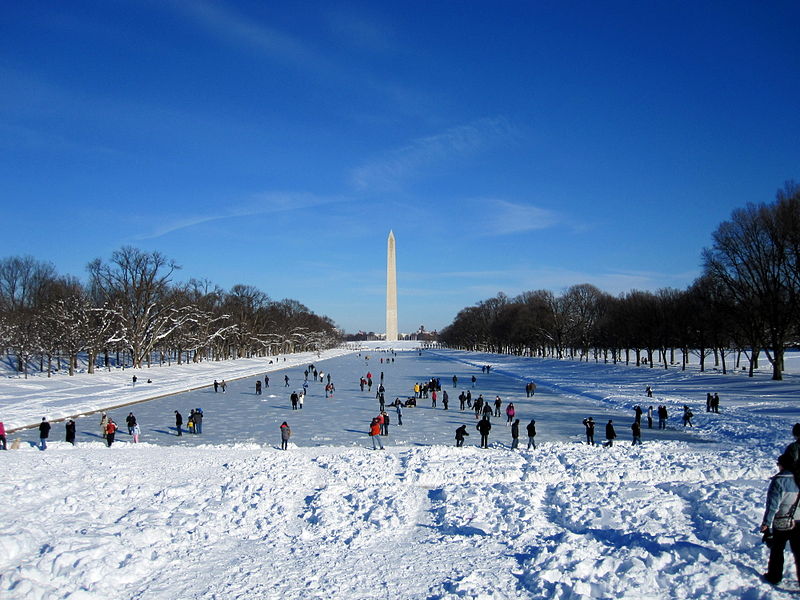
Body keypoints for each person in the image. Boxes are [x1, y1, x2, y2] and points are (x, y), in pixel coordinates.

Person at [760, 453, 800, 585]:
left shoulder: (779, 480)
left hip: (782, 521)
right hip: (799, 521)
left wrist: (766, 523)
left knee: (777, 550)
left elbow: (772, 505)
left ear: (782, 465)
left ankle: (774, 576)